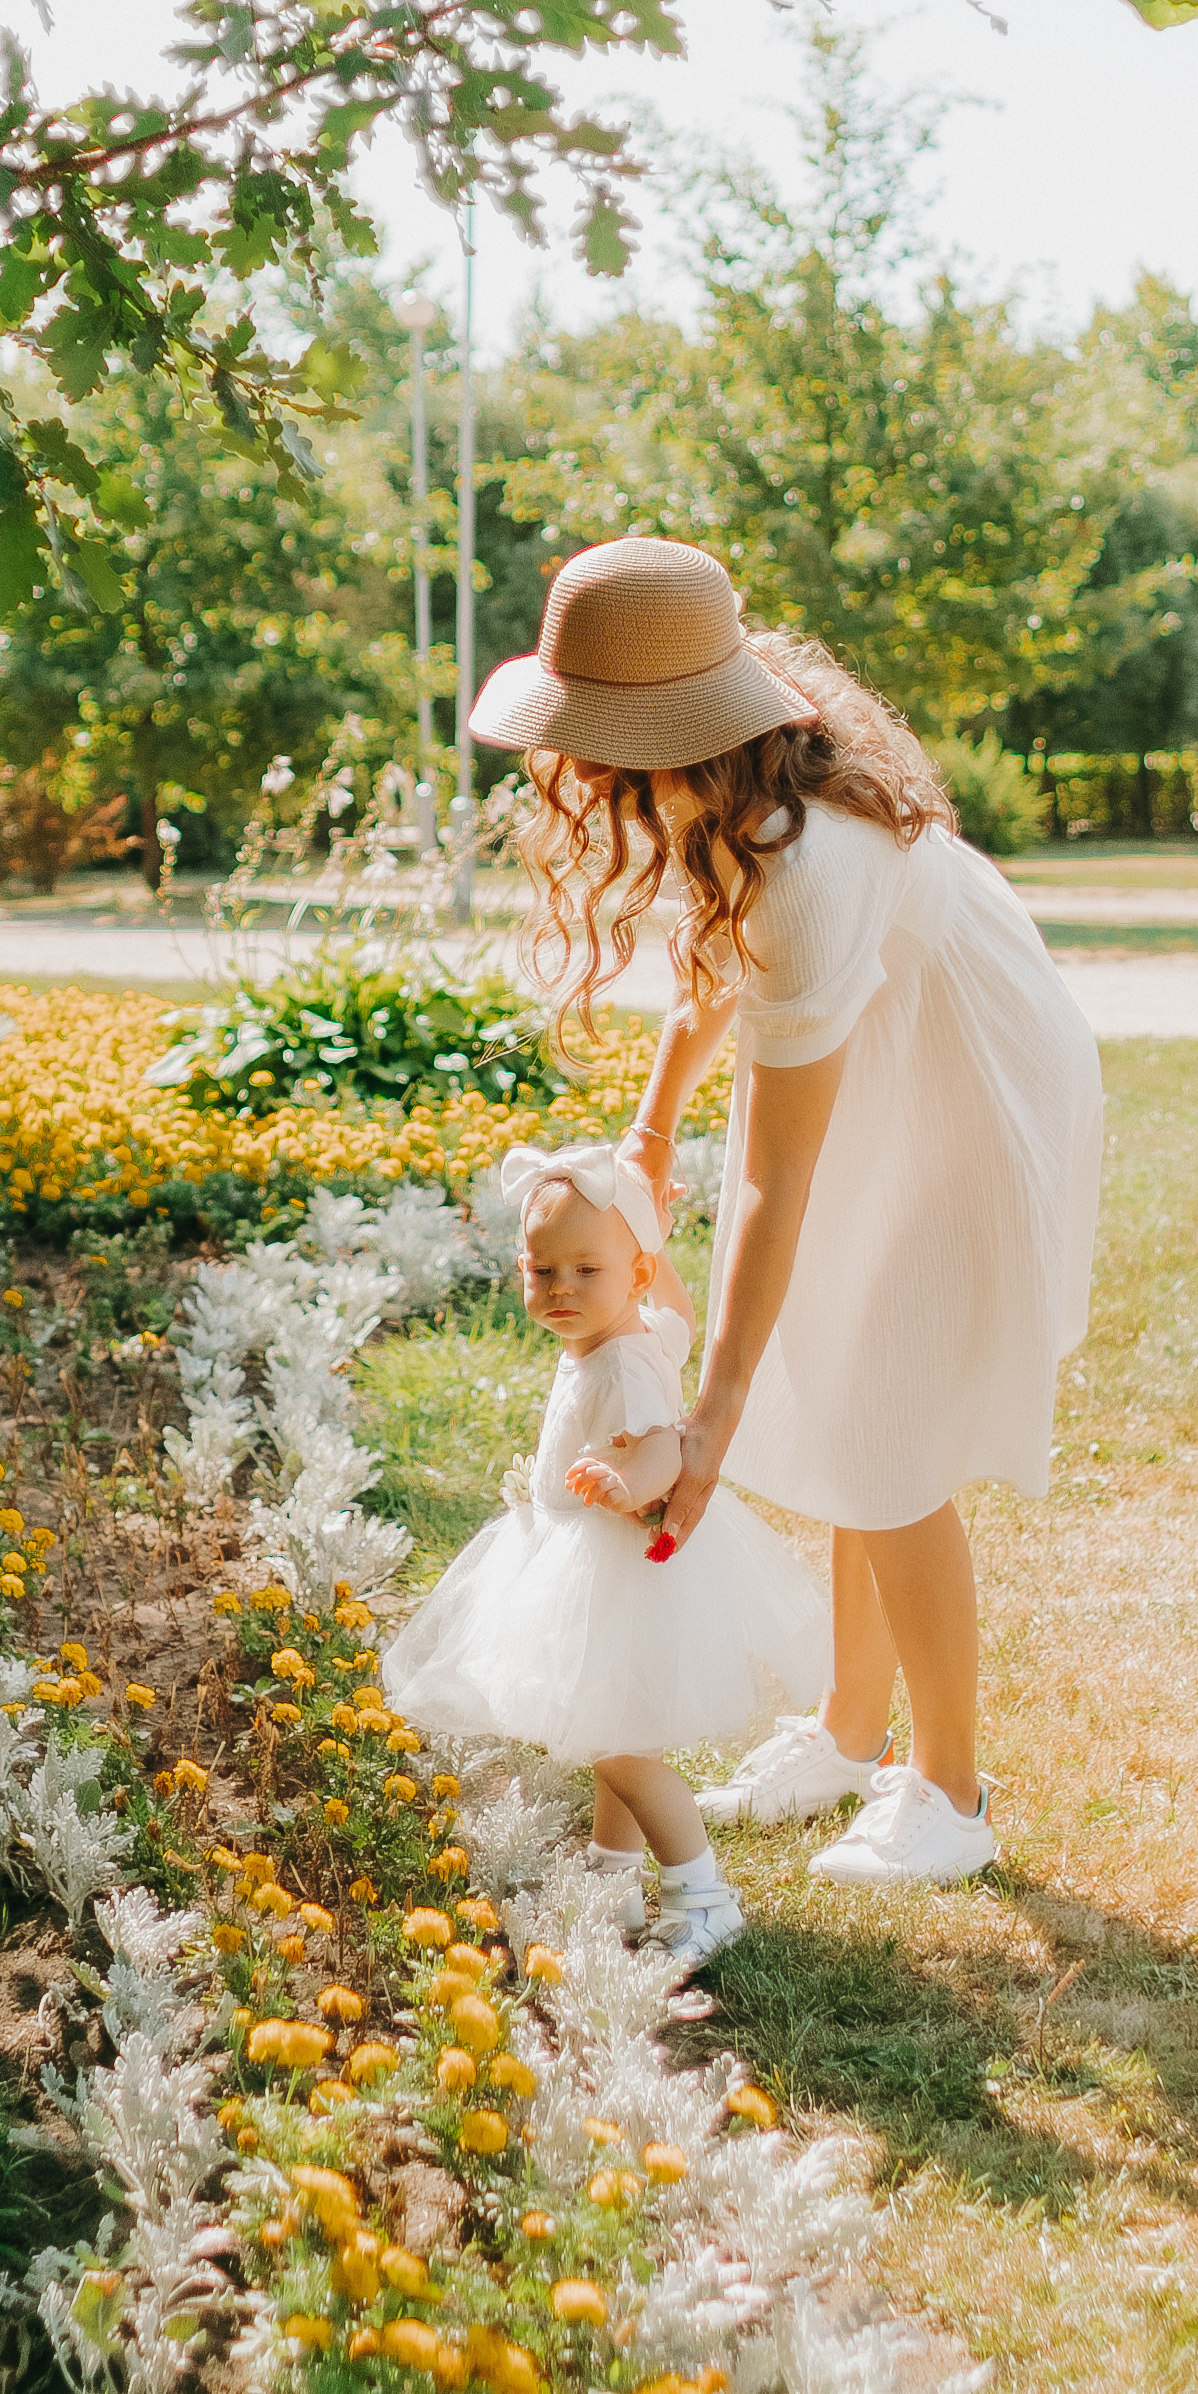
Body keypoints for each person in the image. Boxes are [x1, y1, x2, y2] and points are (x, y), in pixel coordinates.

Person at [467, 535, 1103, 1887]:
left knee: (887, 1424)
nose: (572, 773)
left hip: (961, 1077)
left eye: (588, 740)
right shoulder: (740, 784)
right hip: (878, 1046)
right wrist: (652, 1119)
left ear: (654, 734)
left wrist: (709, 1417)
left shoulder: (809, 858)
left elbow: (774, 1174)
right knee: (846, 1390)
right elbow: (720, 962)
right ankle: (847, 1730)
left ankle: (948, 1790)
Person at [382, 1141, 829, 1967]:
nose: (559, 1290)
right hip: (598, 1566)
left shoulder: (624, 1363)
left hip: (610, 1564)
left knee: (616, 1743)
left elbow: (665, 1444)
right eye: (540, 1270)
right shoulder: (643, 1325)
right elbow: (684, 1317)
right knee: (606, 1723)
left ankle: (701, 1892)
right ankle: (613, 1871)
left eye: (586, 1271)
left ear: (633, 1273)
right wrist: (649, 1227)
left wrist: (628, 1482)